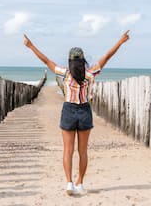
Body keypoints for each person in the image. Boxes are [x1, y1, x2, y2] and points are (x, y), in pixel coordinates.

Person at [23, 30, 130, 195]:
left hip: (69, 110)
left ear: (70, 61)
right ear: (83, 60)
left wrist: (30, 46)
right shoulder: (90, 73)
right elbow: (108, 56)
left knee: (67, 150)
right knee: (83, 151)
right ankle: (80, 182)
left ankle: (69, 183)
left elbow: (46, 60)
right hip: (84, 110)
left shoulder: (65, 73)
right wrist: (120, 41)